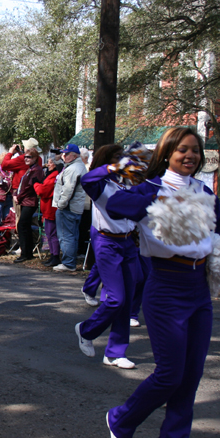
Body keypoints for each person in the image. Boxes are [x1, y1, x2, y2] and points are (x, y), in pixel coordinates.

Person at [104, 127, 220, 438]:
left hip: (199, 288)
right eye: (182, 150)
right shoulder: (151, 187)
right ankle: (120, 420)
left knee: (190, 377)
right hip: (165, 286)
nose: (190, 156)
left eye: (195, 150)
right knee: (169, 375)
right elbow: (116, 204)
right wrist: (160, 199)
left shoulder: (203, 190)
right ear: (168, 153)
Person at [74, 144, 140, 369]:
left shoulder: (128, 181)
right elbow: (87, 178)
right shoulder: (99, 183)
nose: (123, 160)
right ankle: (86, 330)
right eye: (117, 157)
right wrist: (113, 168)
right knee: (116, 299)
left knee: (127, 299)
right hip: (107, 241)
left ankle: (115, 353)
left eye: (123, 157)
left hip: (128, 242)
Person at [52, 144, 89, 272]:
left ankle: (68, 263)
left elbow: (68, 189)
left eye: (67, 154)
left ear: (74, 155)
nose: (64, 156)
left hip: (68, 208)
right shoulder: (77, 166)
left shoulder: (73, 169)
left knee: (66, 236)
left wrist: (61, 205)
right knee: (72, 235)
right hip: (74, 207)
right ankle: (70, 261)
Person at [13, 148, 44, 263]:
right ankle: (27, 252)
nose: (26, 159)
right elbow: (22, 184)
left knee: (22, 225)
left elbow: (29, 187)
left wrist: (19, 196)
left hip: (30, 201)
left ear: (35, 158)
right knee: (24, 226)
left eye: (29, 157)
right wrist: (16, 194)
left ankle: (25, 253)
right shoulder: (30, 169)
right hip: (25, 200)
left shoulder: (36, 170)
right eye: (25, 157)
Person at [35, 155, 62, 267]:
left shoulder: (54, 175)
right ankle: (52, 254)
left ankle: (55, 256)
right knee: (49, 233)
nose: (48, 164)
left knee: (52, 233)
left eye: (50, 162)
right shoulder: (51, 175)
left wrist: (36, 184)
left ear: (55, 164)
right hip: (47, 208)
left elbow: (43, 191)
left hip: (51, 208)